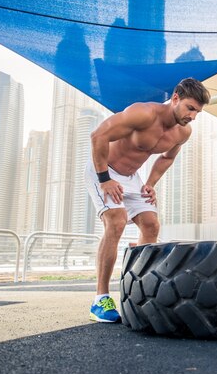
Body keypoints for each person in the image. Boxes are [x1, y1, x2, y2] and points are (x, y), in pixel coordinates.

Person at [85, 78, 210, 322]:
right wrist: (104, 179)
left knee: (152, 225)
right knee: (117, 221)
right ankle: (100, 300)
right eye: (190, 108)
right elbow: (98, 135)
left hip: (133, 177)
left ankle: (138, 289)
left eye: (198, 112)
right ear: (175, 98)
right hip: (104, 169)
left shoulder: (183, 132)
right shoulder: (142, 114)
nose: (193, 116)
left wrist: (150, 183)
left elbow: (166, 157)